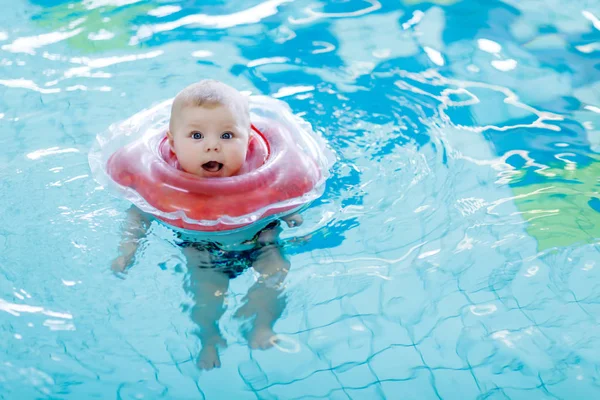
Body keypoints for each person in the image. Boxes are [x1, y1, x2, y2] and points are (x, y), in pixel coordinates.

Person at [111, 80, 303, 370]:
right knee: (206, 294)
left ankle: (262, 325)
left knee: (276, 272)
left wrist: (290, 213)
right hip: (201, 249)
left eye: (227, 135)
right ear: (173, 144)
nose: (212, 145)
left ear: (249, 140)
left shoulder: (264, 175)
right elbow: (139, 214)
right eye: (196, 135)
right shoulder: (163, 184)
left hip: (261, 240)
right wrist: (128, 248)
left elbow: (284, 191)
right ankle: (210, 336)